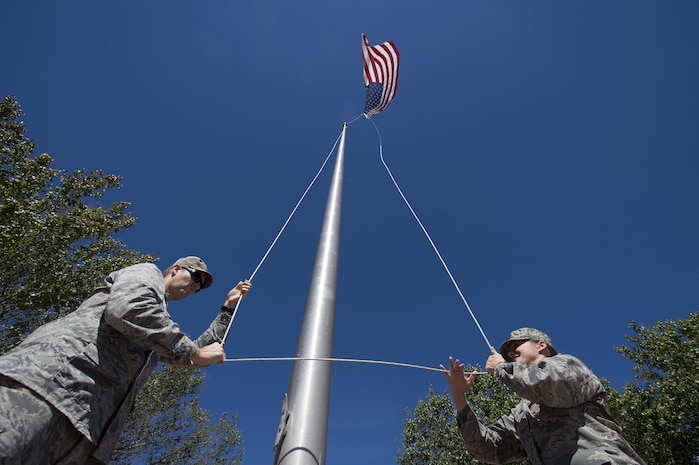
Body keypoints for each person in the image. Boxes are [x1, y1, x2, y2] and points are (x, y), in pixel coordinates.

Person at [0, 256, 251, 465]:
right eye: (196, 277)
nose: (196, 286)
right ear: (176, 268)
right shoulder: (147, 273)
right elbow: (129, 308)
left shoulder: (155, 330)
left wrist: (227, 308)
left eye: (200, 286)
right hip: (48, 387)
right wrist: (192, 352)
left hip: (87, 430)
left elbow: (194, 354)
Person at [441, 327, 646, 465]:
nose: (511, 353)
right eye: (508, 352)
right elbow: (486, 449)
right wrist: (460, 397)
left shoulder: (567, 365)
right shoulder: (522, 414)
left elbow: (549, 385)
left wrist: (502, 368)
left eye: (516, 346)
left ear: (541, 345)